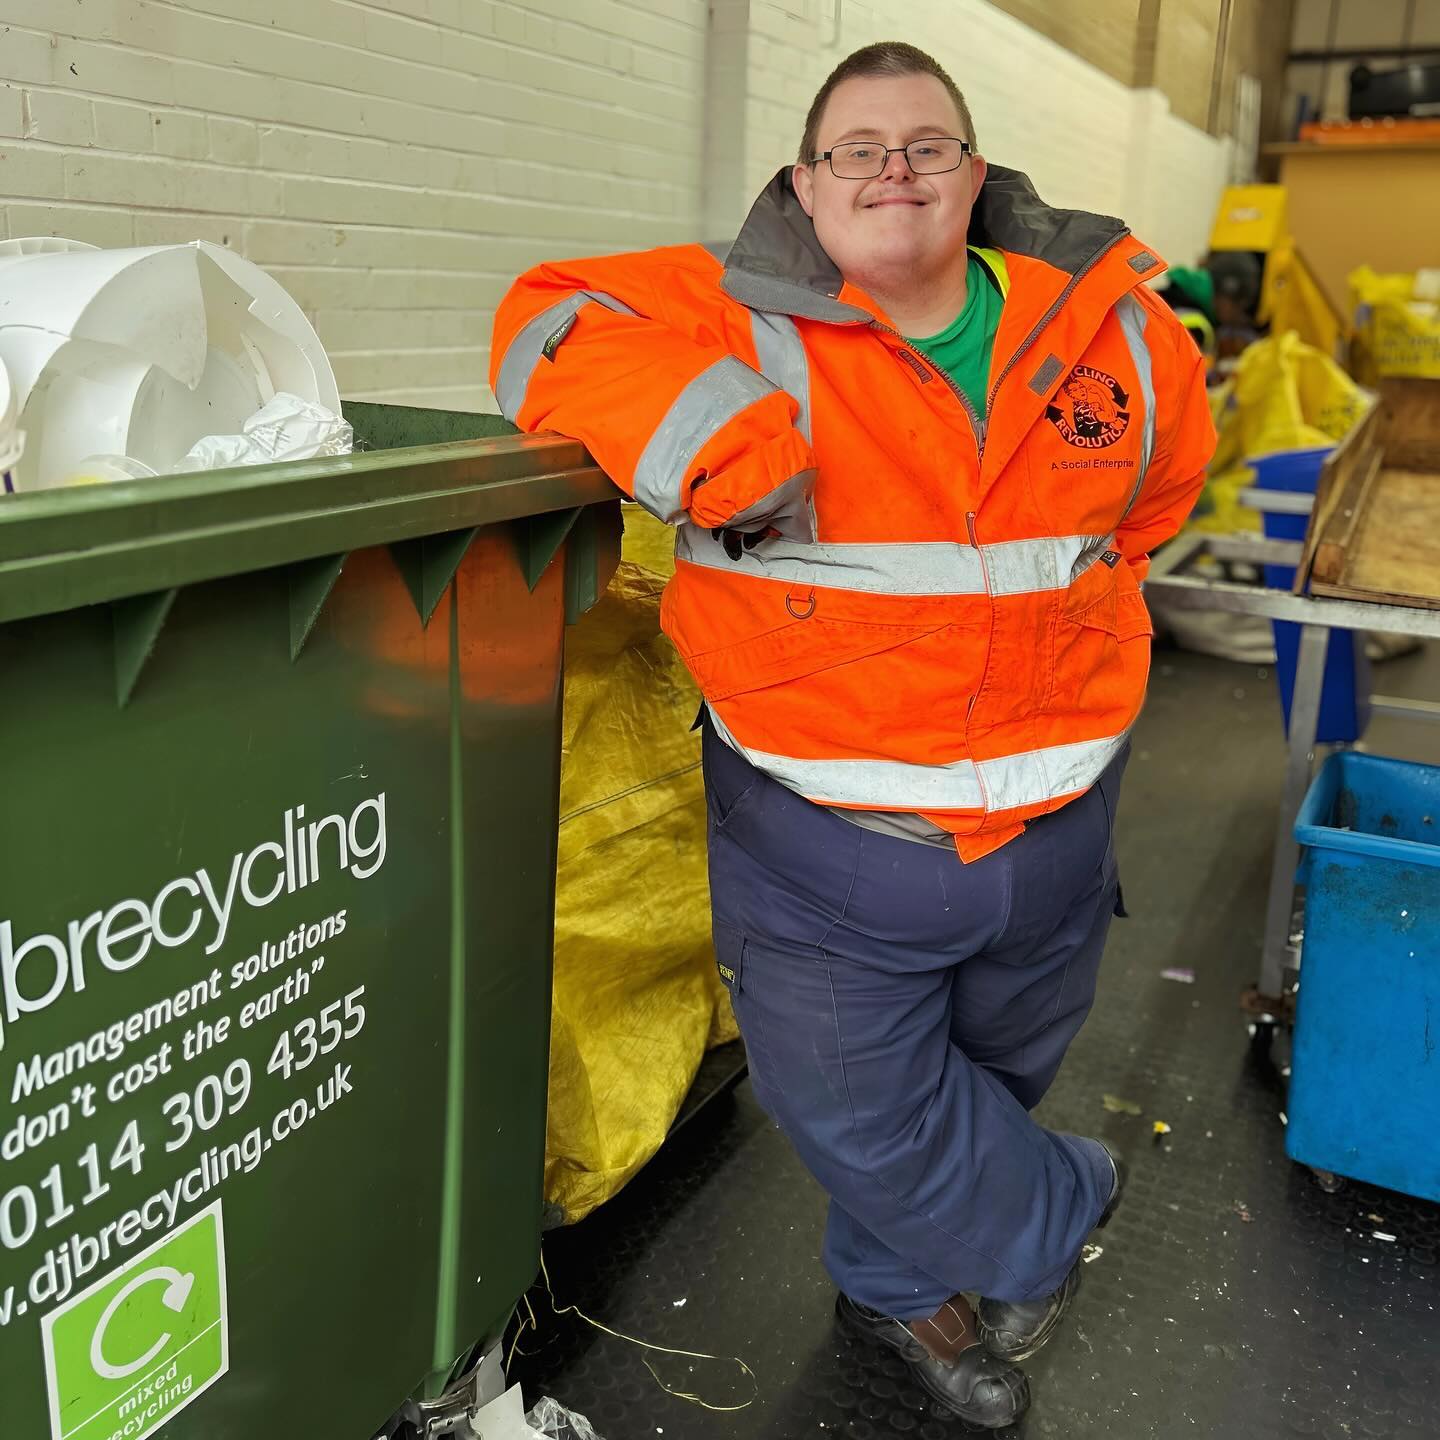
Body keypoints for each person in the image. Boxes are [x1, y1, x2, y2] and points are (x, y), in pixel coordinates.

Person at [492, 41, 1214, 1429]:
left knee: (993, 1074)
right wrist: (708, 430)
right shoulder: (731, 313)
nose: (895, 170)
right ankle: (1055, 1205)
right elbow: (539, 321)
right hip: (827, 840)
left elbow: (1151, 503)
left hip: (1060, 822)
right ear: (805, 185)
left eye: (928, 144)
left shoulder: (1108, 321)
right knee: (861, 1112)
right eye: (858, 149)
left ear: (975, 171)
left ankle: (897, 1296)